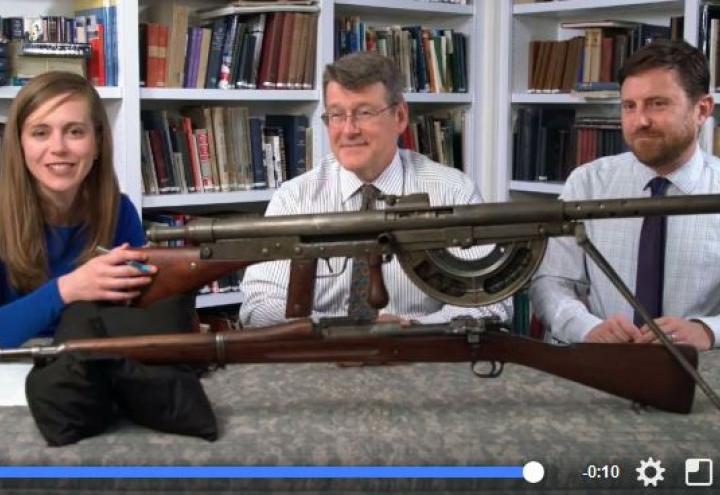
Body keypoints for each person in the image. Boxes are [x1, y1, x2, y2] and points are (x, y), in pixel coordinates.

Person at [240, 51, 511, 327]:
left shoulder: (453, 190)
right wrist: (337, 332)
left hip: (422, 355)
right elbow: (258, 305)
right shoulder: (295, 198)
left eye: (364, 112)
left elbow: (491, 302)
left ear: (400, 116)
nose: (348, 130)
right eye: (336, 115)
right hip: (321, 358)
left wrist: (414, 329)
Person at [530, 40, 720, 351]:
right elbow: (550, 282)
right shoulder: (588, 183)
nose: (640, 121)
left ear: (702, 110)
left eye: (658, 104)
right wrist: (587, 328)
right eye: (629, 106)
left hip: (702, 370)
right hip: (603, 364)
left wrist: (708, 330)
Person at [0, 71, 156, 348]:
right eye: (40, 133)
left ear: (97, 143)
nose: (58, 148)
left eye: (75, 132)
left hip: (90, 368)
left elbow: (138, 319)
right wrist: (67, 289)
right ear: (20, 145)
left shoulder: (120, 211)